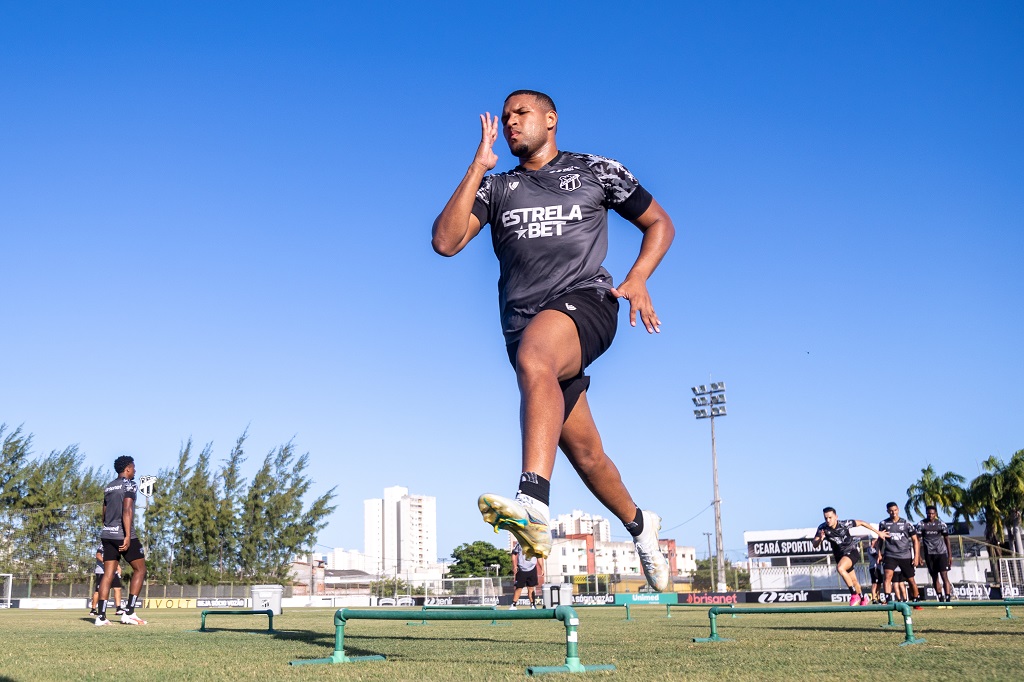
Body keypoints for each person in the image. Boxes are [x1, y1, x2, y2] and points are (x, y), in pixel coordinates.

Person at [431, 90, 676, 592]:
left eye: (521, 114)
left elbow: (659, 223)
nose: (511, 123)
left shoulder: (595, 170)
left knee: (537, 355)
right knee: (587, 454)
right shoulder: (498, 188)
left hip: (586, 302)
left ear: (550, 118)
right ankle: (639, 525)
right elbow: (445, 242)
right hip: (523, 329)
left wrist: (639, 277)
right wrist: (478, 167)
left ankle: (532, 503)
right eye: (505, 118)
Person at [95, 455, 147, 626]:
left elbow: (103, 512)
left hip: (107, 534)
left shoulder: (108, 487)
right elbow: (127, 510)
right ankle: (130, 613)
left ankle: (101, 617)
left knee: (108, 574)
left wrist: (109, 528)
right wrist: (126, 535)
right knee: (140, 569)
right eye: (133, 467)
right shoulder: (129, 484)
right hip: (123, 534)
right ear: (127, 469)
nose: (135, 470)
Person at [811, 507, 888, 606]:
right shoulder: (822, 528)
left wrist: (878, 533)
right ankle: (862, 598)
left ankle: (853, 594)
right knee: (854, 580)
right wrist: (820, 539)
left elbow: (862, 523)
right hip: (840, 556)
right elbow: (814, 544)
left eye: (830, 517)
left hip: (851, 552)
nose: (828, 520)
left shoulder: (844, 524)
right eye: (826, 518)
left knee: (840, 568)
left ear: (836, 517)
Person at [878, 501, 922, 609]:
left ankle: (916, 601)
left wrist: (916, 556)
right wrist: (879, 553)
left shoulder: (906, 523)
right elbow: (880, 539)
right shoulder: (883, 523)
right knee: (887, 576)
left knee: (911, 579)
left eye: (895, 510)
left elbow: (915, 540)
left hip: (905, 555)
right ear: (888, 511)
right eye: (891, 511)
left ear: (898, 510)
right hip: (890, 554)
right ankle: (888, 600)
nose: (893, 512)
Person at [916, 505, 954, 607]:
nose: (930, 515)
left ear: (936, 514)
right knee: (934, 577)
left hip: (941, 553)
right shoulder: (921, 524)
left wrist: (950, 555)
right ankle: (940, 600)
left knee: (944, 576)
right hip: (929, 554)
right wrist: (918, 555)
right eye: (928, 513)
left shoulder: (941, 524)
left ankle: (948, 600)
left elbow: (947, 539)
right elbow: (917, 541)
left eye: (932, 513)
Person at [89, 545, 123, 617]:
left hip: (113, 572)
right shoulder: (102, 545)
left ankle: (118, 608)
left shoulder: (115, 546)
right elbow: (98, 555)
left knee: (117, 588)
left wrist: (118, 567)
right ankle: (93, 609)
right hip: (102, 572)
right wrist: (104, 561)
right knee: (98, 591)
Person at [509, 540, 544, 609]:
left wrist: (542, 568)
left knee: (531, 588)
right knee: (519, 588)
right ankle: (513, 604)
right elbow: (513, 554)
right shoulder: (519, 543)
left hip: (532, 569)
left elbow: (539, 557)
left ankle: (533, 605)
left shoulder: (535, 543)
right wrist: (514, 565)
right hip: (521, 569)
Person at [868, 539, 884, 604]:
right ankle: (874, 598)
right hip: (874, 568)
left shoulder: (877, 549)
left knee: (879, 584)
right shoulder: (870, 549)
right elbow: (877, 557)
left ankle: (878, 597)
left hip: (879, 568)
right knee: (874, 583)